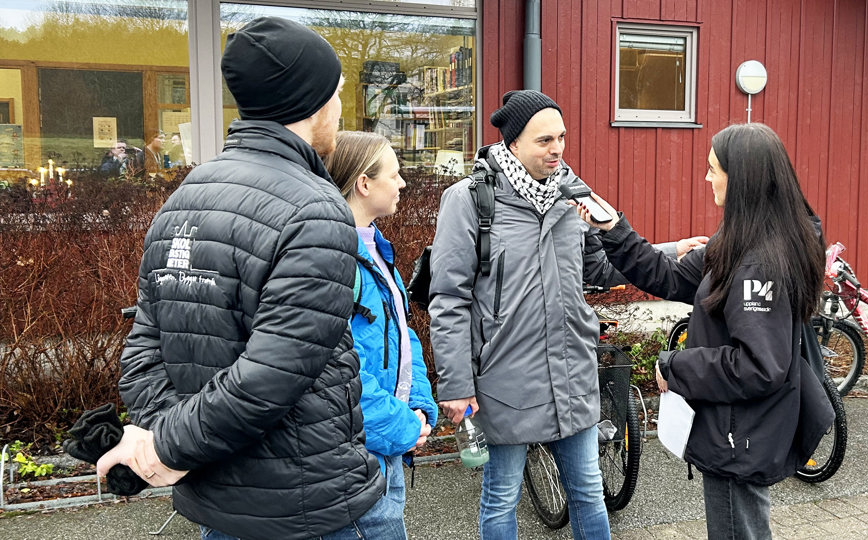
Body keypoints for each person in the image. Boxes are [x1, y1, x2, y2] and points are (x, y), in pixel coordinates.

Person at [95, 17, 390, 540]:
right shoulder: (316, 209)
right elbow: (273, 375)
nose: (341, 110)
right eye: (337, 94)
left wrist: (170, 438)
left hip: (218, 503)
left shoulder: (186, 194)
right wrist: (167, 447)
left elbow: (144, 348)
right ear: (311, 101)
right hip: (308, 508)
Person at [428, 89, 707, 540]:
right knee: (501, 497)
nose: (557, 148)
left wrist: (669, 251)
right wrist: (457, 386)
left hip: (571, 371)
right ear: (512, 143)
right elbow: (449, 298)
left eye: (561, 137)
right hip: (504, 377)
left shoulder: (573, 195)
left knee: (588, 491)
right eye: (544, 140)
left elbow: (598, 266)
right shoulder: (470, 200)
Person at [575, 122, 835, 539]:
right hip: (738, 425)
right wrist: (613, 231)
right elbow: (670, 277)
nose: (707, 177)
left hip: (741, 431)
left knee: (738, 529)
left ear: (742, 179)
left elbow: (757, 366)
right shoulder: (741, 240)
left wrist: (674, 366)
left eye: (714, 169)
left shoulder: (759, 262)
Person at [324, 130, 439, 537]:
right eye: (394, 174)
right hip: (360, 457)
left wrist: (421, 406)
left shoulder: (376, 249)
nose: (403, 183)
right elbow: (334, 368)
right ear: (364, 183)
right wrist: (403, 427)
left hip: (386, 444)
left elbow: (401, 334)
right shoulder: (334, 259)